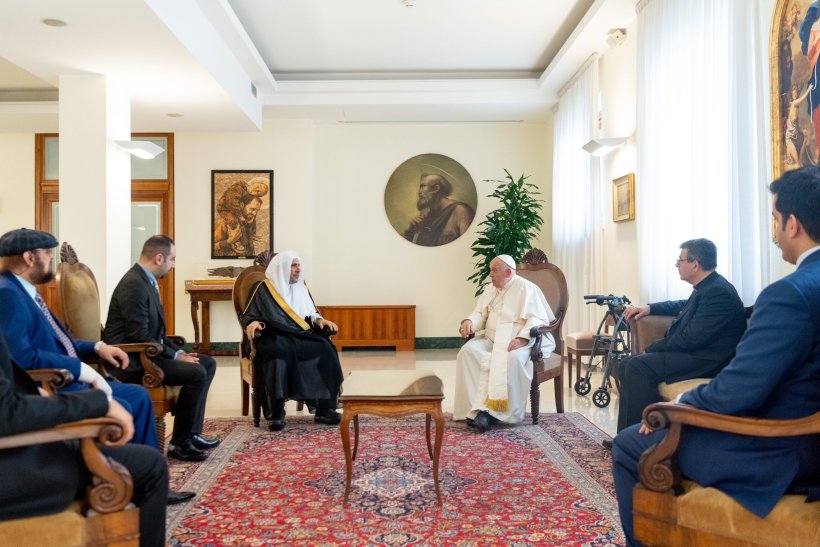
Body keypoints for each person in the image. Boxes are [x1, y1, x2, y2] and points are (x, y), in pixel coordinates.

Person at [612, 166, 820, 546]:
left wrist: (680, 405)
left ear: (792, 224)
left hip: (788, 452)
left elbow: (741, 391)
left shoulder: (789, 294)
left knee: (630, 445)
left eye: (774, 220)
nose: (774, 233)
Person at [0, 228, 194, 506]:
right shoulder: (8, 294)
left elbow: (57, 340)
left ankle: (141, 483)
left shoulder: (24, 290)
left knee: (138, 397)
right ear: (30, 257)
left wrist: (96, 347)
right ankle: (129, 483)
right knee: (133, 399)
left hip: (67, 375)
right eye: (47, 254)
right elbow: (22, 357)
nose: (52, 260)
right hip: (53, 385)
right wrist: (81, 369)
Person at [0, 330, 168, 546]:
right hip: (12, 471)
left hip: (16, 452)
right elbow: (7, 414)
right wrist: (98, 402)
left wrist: (32, 393)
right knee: (151, 466)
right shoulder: (10, 295)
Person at [612, 238, 747, 436]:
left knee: (637, 366)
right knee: (626, 363)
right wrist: (649, 308)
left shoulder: (718, 292)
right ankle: (626, 436)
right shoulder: (709, 287)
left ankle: (645, 438)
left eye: (680, 260)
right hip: (697, 354)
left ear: (695, 264)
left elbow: (691, 339)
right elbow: (682, 305)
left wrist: (653, 347)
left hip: (708, 360)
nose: (677, 265)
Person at [104, 235, 219, 462]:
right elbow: (140, 337)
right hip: (132, 360)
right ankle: (179, 444)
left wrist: (178, 353)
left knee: (207, 362)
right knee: (196, 372)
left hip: (147, 351)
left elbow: (153, 334)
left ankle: (190, 434)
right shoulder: (133, 284)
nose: (173, 265)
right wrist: (176, 355)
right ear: (159, 258)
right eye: (172, 259)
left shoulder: (144, 280)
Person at [240, 250, 343, 431]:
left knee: (325, 348)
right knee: (278, 352)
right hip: (274, 335)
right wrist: (253, 322)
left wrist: (321, 320)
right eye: (293, 266)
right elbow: (250, 314)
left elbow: (310, 315)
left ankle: (324, 409)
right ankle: (276, 412)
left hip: (300, 335)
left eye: (298, 265)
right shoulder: (263, 289)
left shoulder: (301, 287)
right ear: (282, 269)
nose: (297, 270)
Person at [453, 255, 555, 432]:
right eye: (491, 270)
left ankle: (496, 414)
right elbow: (480, 313)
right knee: (468, 353)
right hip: (491, 339)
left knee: (513, 360)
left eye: (494, 270)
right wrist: (469, 321)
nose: (490, 275)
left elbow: (537, 318)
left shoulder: (526, 288)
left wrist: (523, 338)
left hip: (516, 341)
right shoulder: (490, 289)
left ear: (508, 272)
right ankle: (474, 409)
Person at [402, 173, 475, 247]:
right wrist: (408, 231)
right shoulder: (426, 215)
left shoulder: (461, 211)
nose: (419, 192)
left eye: (423, 186)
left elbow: (470, 245)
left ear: (436, 188)